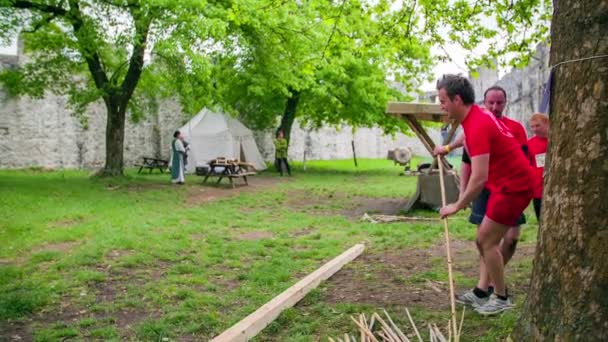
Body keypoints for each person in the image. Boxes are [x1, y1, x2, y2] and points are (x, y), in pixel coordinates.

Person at [436, 75, 533, 315]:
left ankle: (500, 297)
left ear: (457, 99)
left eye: (443, 100)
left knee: (486, 240)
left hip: (514, 187)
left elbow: (479, 178)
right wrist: (448, 147)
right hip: (508, 185)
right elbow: (467, 138)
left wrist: (456, 206)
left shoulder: (478, 123)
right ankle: (487, 292)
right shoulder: (476, 117)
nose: (441, 106)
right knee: (485, 240)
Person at [527, 112, 549, 221]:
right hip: (538, 190)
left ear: (547, 124)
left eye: (538, 125)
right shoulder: (529, 144)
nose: (535, 129)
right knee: (541, 220)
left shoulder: (555, 140)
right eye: (532, 126)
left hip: (554, 186)